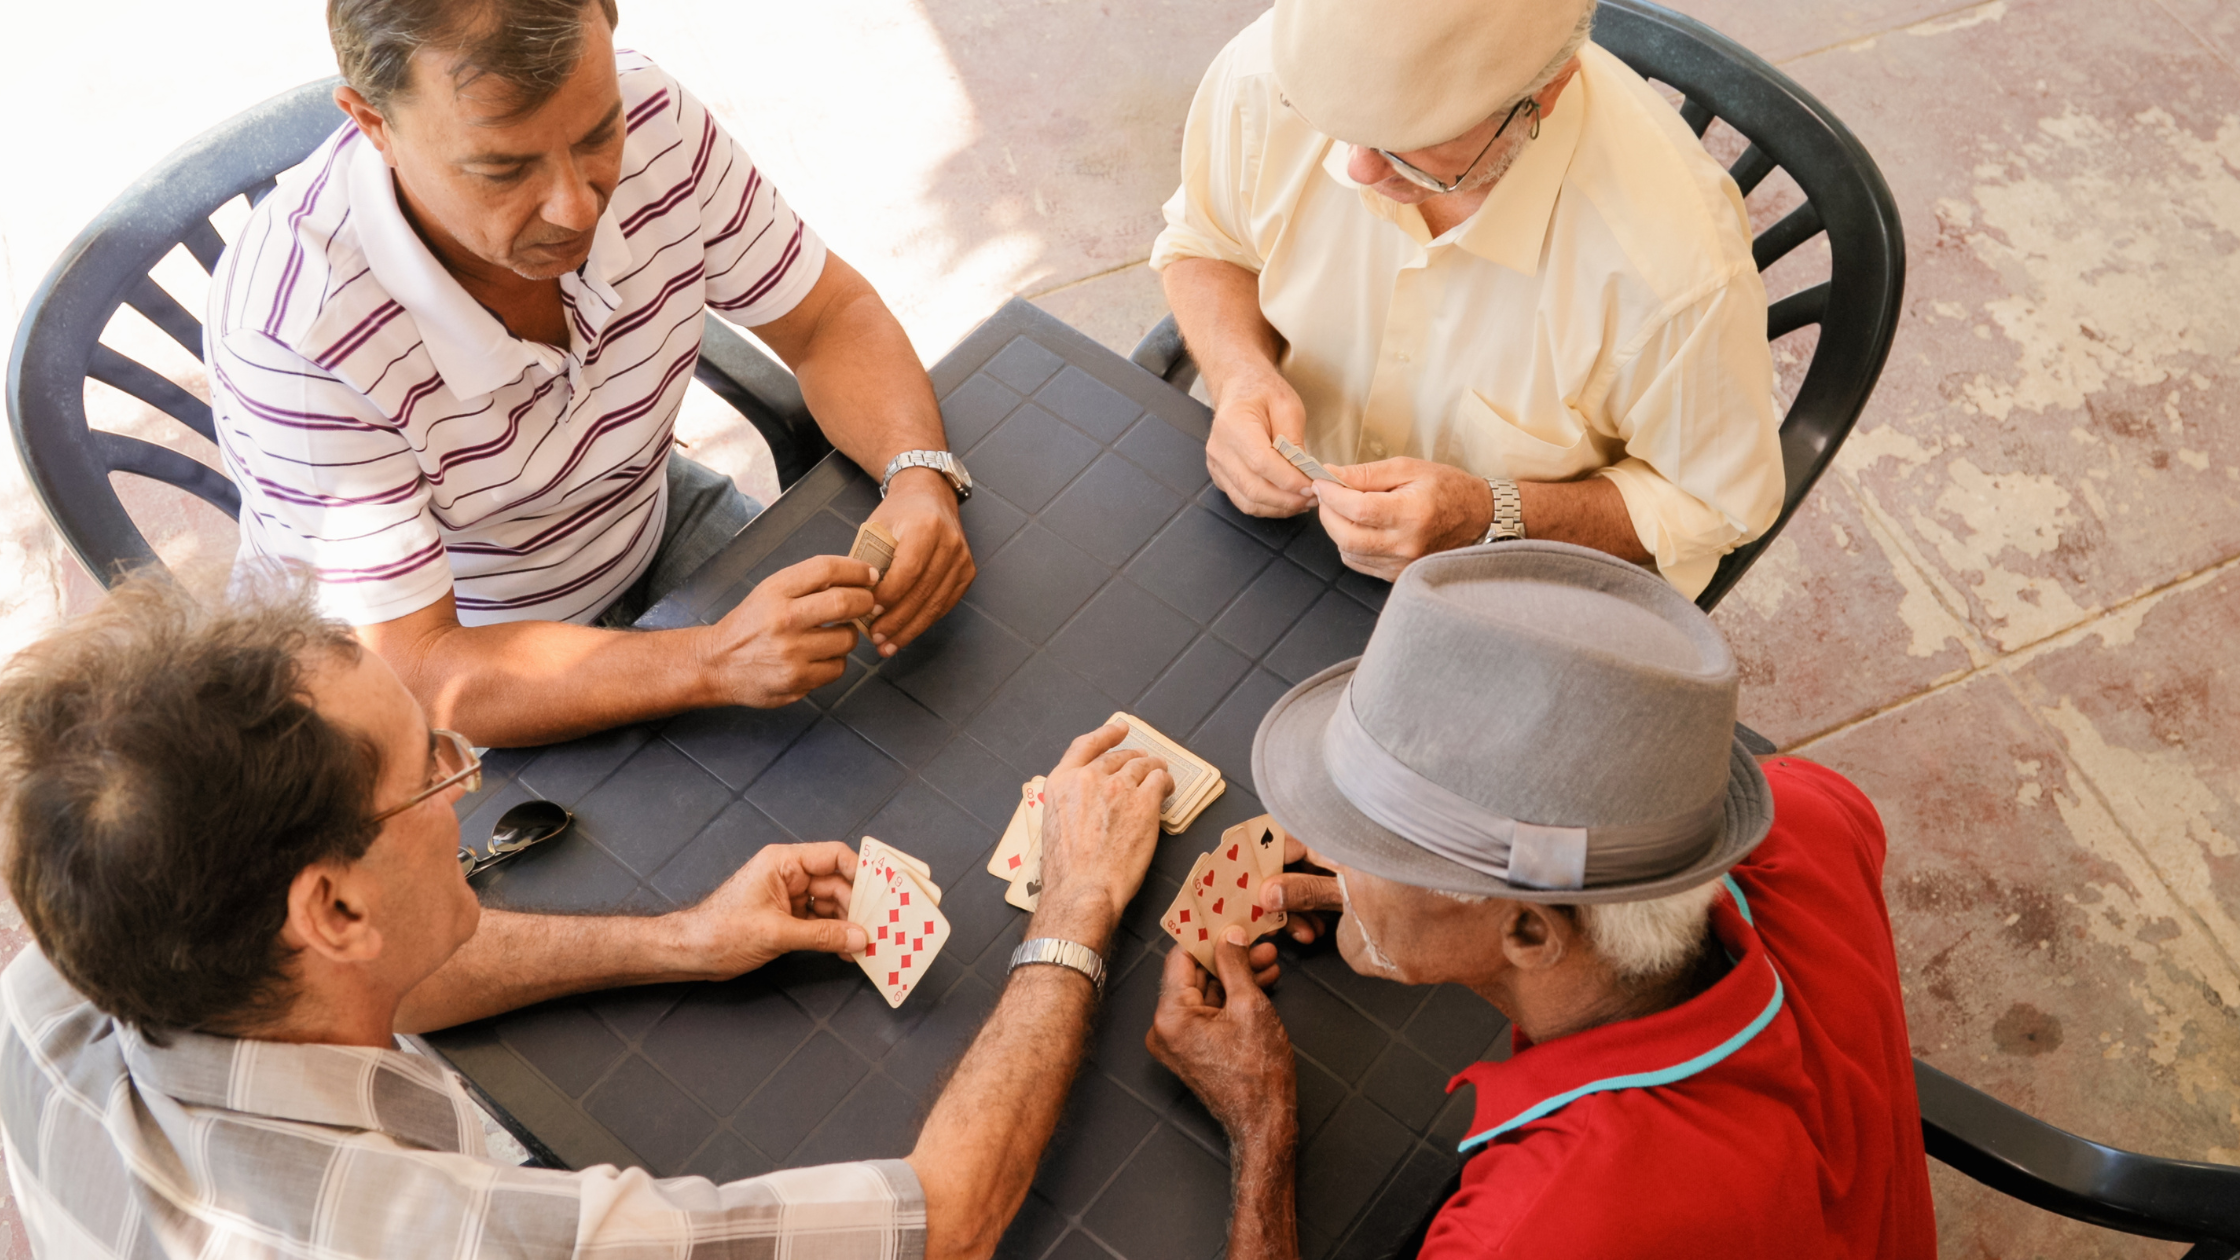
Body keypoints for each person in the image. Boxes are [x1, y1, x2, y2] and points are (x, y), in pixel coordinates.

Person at [0, 571, 1172, 1259]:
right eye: (430, 771)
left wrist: (684, 940)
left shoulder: (69, 968)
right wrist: (1069, 908)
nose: (467, 782)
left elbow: (366, 969)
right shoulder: (455, 1241)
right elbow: (942, 1220)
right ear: (335, 903)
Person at [209, 0, 978, 748]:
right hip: (465, 653)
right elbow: (414, 671)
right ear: (373, 124)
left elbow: (828, 316)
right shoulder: (292, 334)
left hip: (643, 516)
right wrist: (710, 660)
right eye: (503, 169)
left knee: (911, 725)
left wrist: (918, 477)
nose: (577, 209)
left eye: (597, 133)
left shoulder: (655, 120)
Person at [1146, 541, 1937, 1258]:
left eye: (1375, 846)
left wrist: (1262, 1125)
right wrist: (1405, 896)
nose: (1338, 852)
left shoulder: (1533, 1228)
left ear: (1527, 929)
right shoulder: (1812, 817)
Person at [1152, 0, 1785, 597]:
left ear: (1549, 91)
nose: (1359, 171)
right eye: (1339, 125)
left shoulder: (1676, 272)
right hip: (1273, 538)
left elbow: (1710, 505)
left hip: (1507, 596)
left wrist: (1491, 515)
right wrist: (1239, 375)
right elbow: (1209, 241)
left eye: (1411, 142)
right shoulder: (1271, 71)